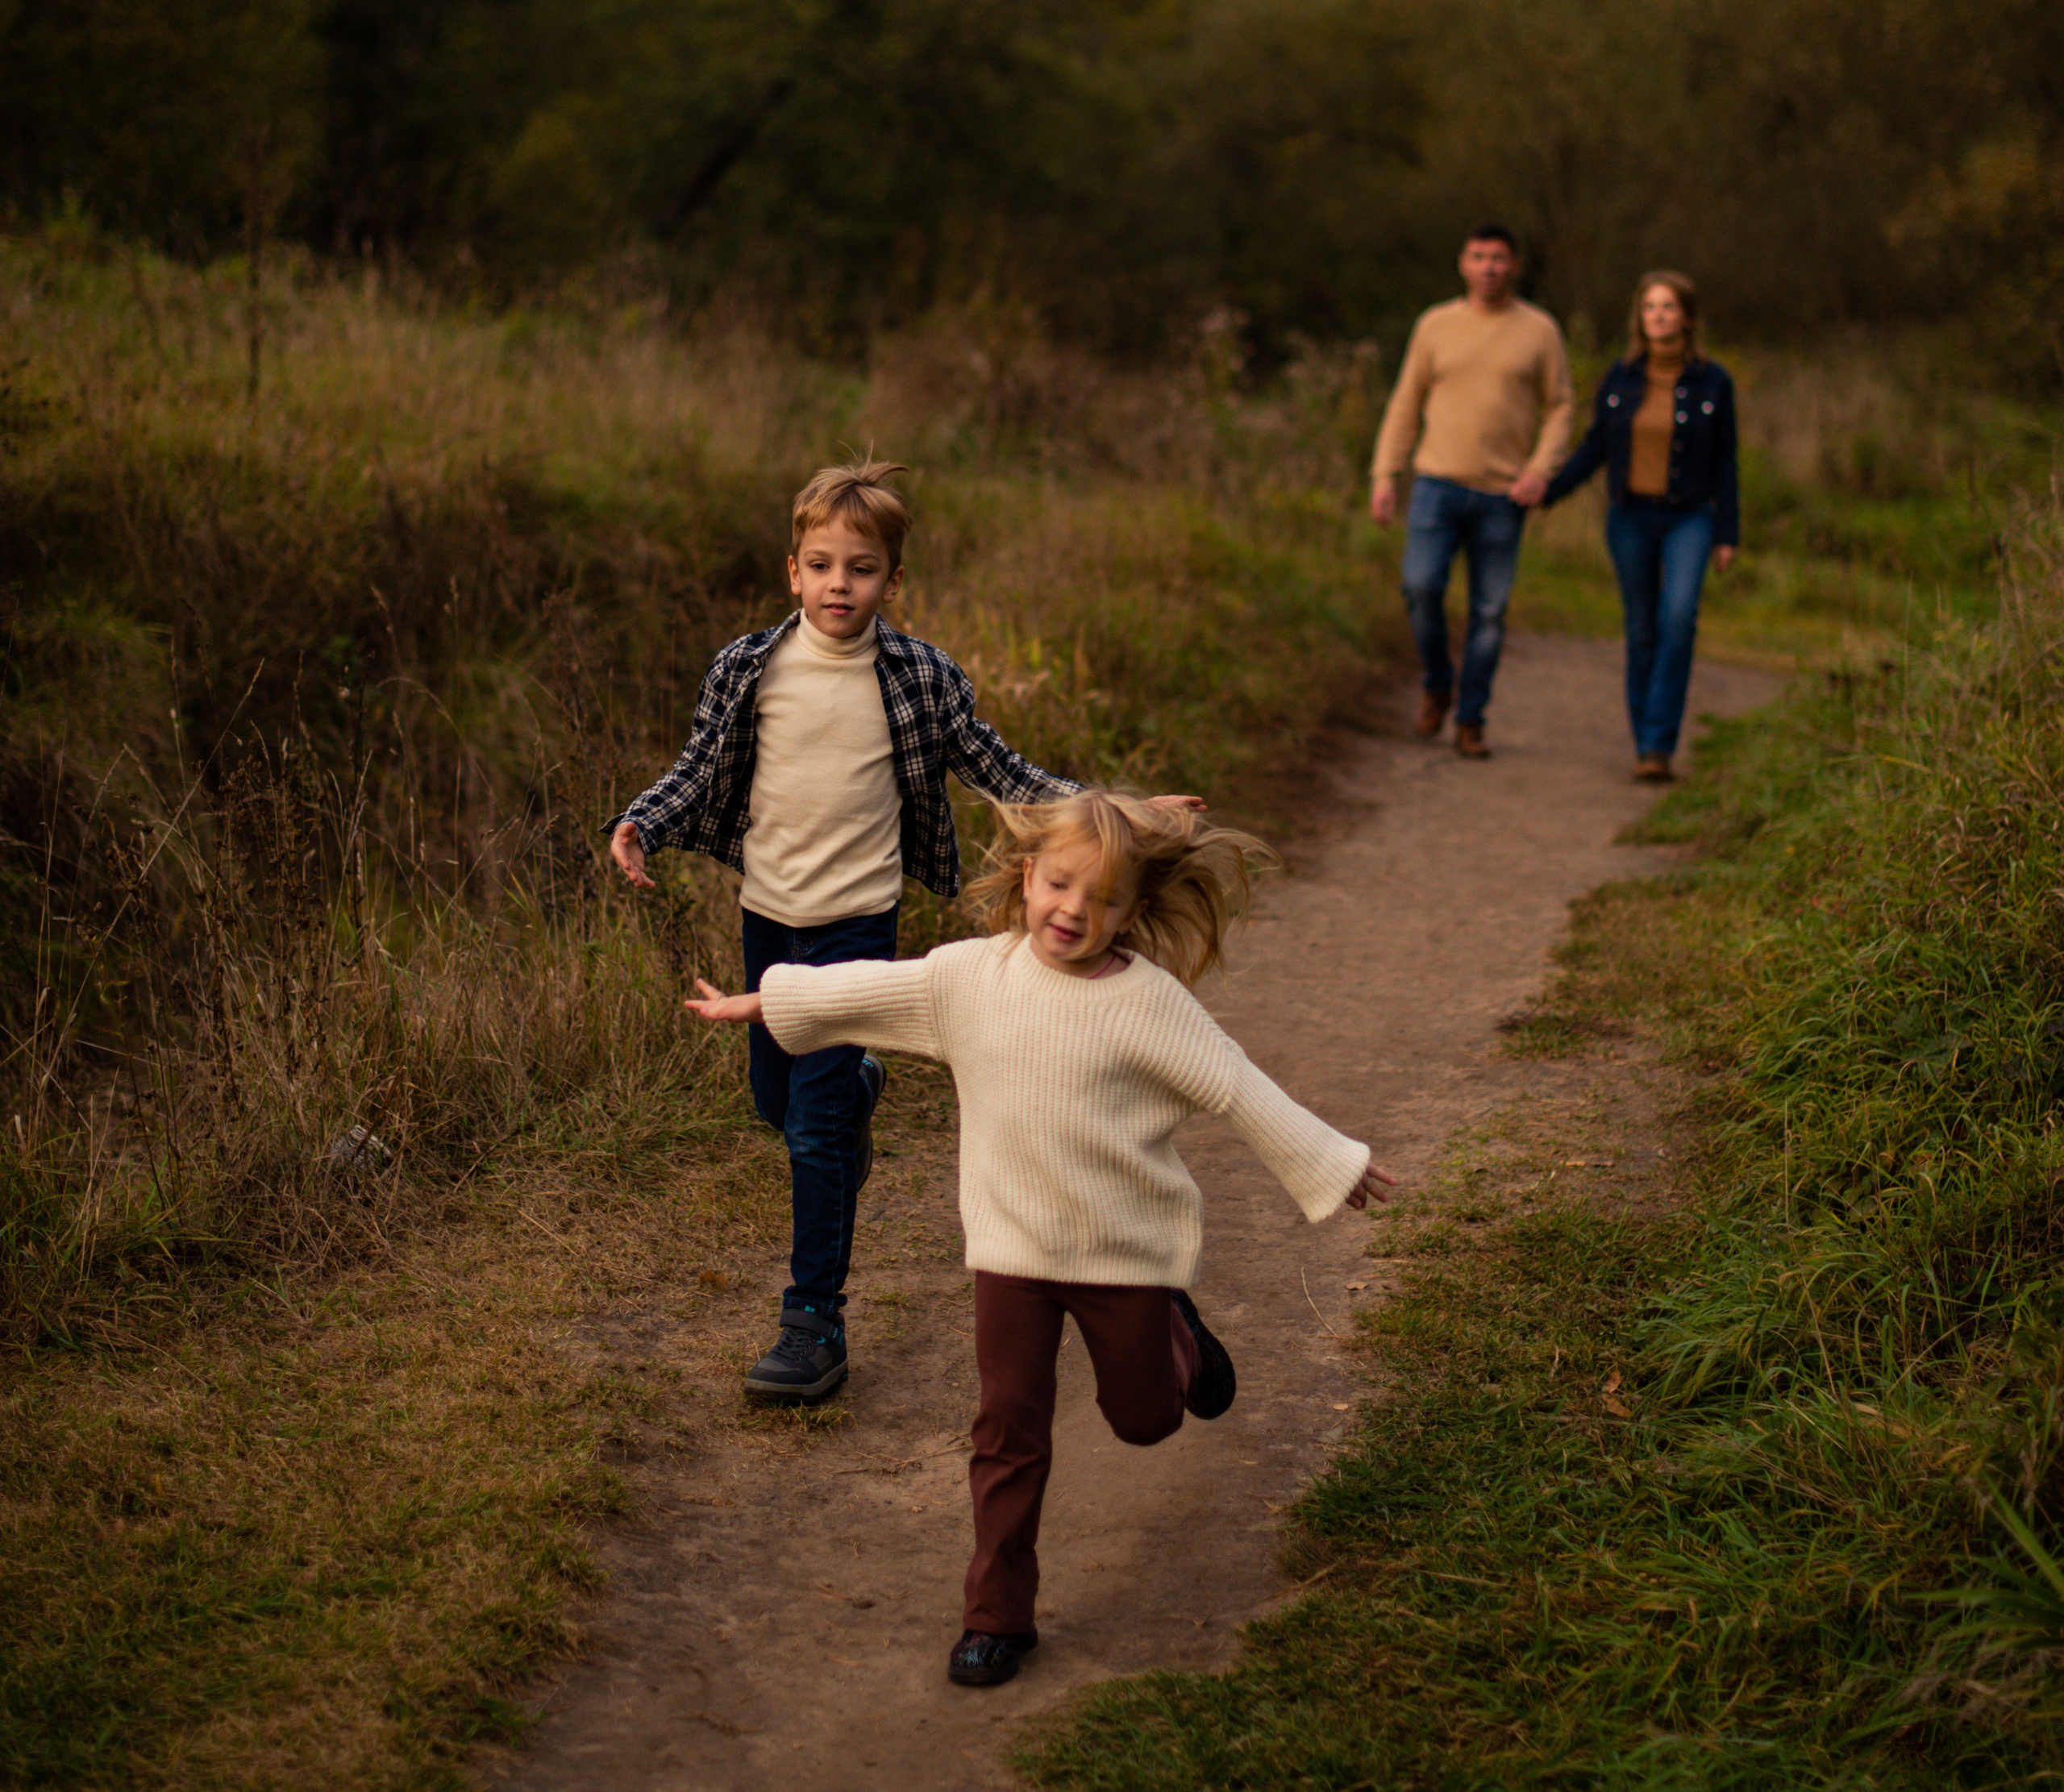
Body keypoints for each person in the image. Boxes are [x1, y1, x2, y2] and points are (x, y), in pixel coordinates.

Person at [682, 790, 1397, 1686]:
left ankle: (1176, 1337)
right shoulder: (971, 978)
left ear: (1130, 912)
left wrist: (1333, 1161)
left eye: (1098, 900)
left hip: (1121, 1253)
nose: (1072, 910)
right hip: (1010, 1255)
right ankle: (996, 1617)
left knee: (1142, 1423)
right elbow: (863, 987)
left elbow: (1238, 1089)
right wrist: (760, 1003)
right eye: (1058, 885)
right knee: (1005, 1431)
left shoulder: (1149, 1005)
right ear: (1027, 878)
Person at [606, 462, 1199, 1403]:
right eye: (822, 565)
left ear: (891, 580)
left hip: (856, 925)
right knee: (776, 1100)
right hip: (767, 916)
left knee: (812, 1129)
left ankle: (813, 1324)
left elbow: (1002, 772)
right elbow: (697, 769)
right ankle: (859, 1093)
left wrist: (1113, 809)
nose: (841, 585)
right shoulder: (747, 669)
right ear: (791, 573)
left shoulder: (918, 678)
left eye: (863, 568)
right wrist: (644, 821)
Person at [1369, 225, 1574, 758]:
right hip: (1436, 484)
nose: (1488, 267)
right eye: (1479, 256)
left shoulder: (1539, 330)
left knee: (1488, 611)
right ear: (1463, 263)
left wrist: (1540, 468)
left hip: (1504, 495)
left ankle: (1471, 718)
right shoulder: (1435, 325)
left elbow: (1560, 406)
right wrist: (1385, 475)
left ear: (1514, 265)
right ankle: (1438, 683)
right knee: (1420, 587)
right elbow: (1404, 403)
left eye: (1498, 258)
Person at [1540, 270, 1739, 780]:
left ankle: (1659, 743)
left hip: (1689, 518)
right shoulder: (1620, 377)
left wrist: (1727, 534)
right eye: (1650, 307)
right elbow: (1595, 447)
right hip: (1629, 517)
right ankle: (1645, 744)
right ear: (1640, 317)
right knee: (1641, 628)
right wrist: (1547, 491)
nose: (1658, 316)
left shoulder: (1714, 382)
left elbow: (1725, 463)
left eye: (1668, 307)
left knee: (1678, 619)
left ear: (1687, 318)